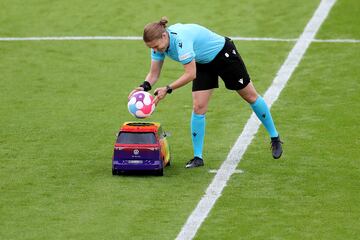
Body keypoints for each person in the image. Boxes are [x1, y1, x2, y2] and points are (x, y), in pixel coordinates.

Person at [129, 17, 283, 168]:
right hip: (202, 63)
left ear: (164, 35)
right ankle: (198, 157)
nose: (155, 50)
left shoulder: (181, 40)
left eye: (156, 46)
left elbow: (190, 74)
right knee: (198, 107)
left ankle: (275, 137)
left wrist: (168, 89)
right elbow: (154, 74)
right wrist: (143, 87)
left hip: (223, 54)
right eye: (152, 48)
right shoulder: (158, 45)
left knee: (250, 96)